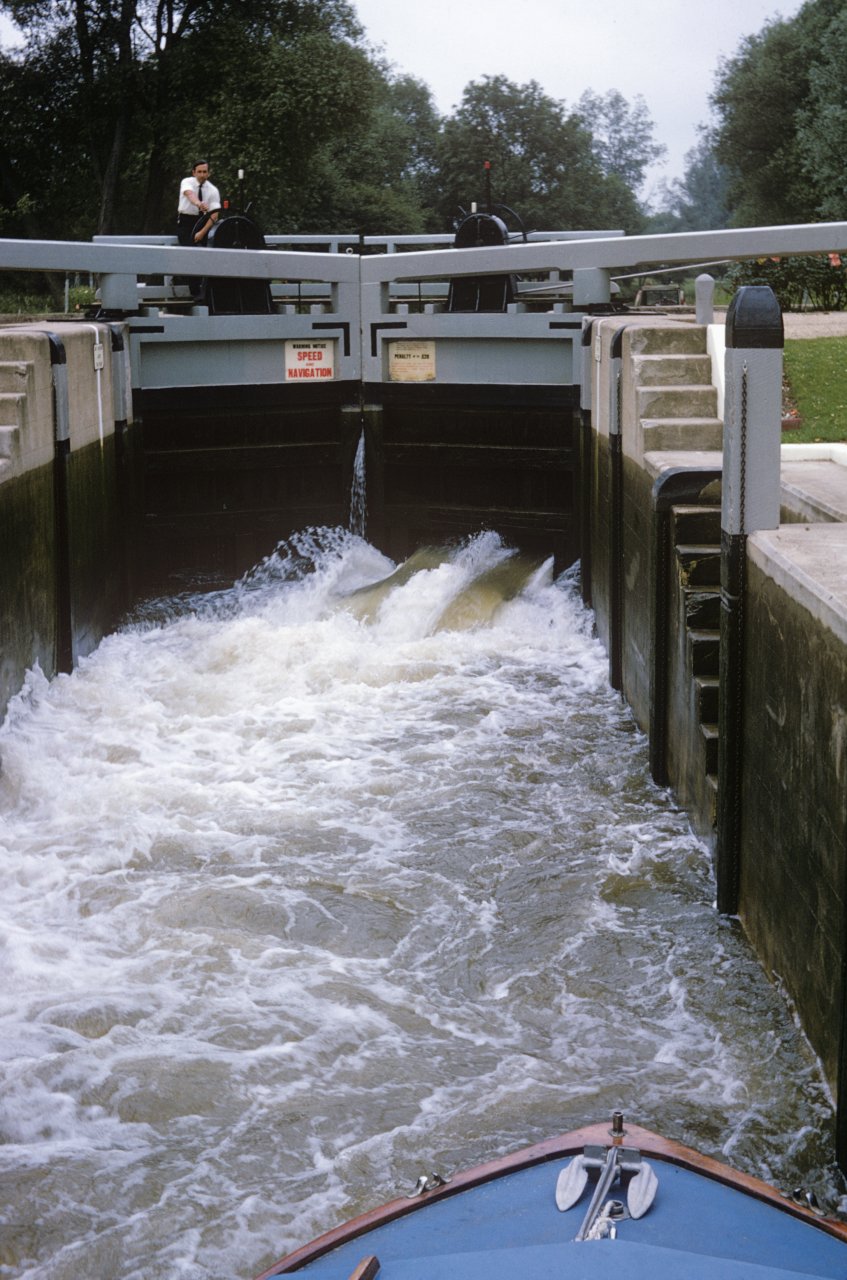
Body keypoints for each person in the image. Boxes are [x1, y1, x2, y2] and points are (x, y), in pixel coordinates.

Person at [176, 160, 221, 246]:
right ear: (194, 173)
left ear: (208, 173)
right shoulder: (186, 182)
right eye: (199, 172)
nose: (202, 175)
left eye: (204, 172)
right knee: (187, 250)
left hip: (203, 222)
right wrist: (199, 204)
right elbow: (189, 194)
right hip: (186, 221)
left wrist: (202, 232)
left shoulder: (213, 190)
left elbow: (215, 214)